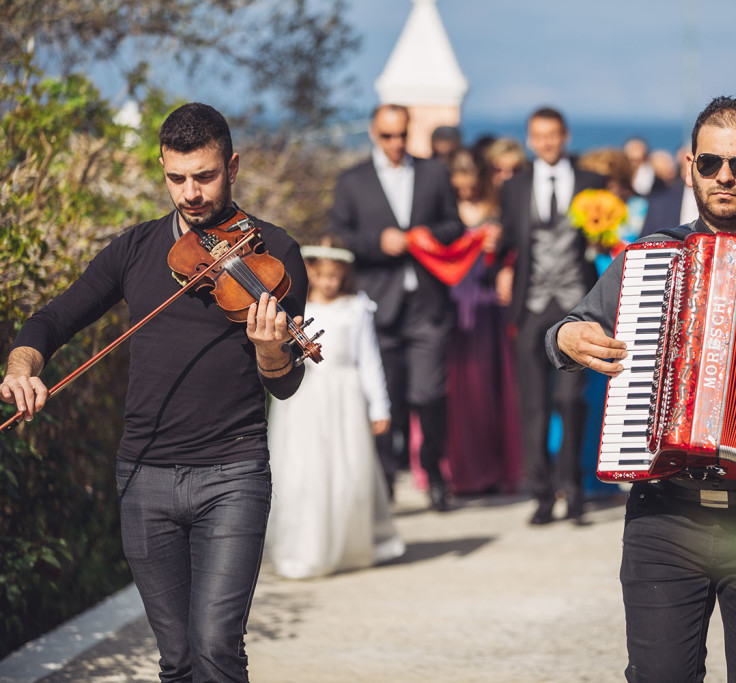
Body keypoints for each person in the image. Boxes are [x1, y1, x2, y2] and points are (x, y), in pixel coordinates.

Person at [0, 102, 307, 681]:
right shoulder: (134, 249)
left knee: (217, 650)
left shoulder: (274, 254)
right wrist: (22, 365)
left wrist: (272, 350)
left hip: (232, 473)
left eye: (205, 176)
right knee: (177, 661)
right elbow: (52, 320)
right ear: (163, 169)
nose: (190, 193)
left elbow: (287, 384)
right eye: (176, 178)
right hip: (143, 475)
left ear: (233, 166)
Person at [547, 96, 736, 681]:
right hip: (665, 518)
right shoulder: (647, 261)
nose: (725, 177)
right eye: (710, 163)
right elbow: (564, 329)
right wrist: (569, 337)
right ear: (690, 167)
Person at [328, 103, 464, 511]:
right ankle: (386, 483)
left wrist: (424, 235)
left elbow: (454, 225)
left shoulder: (434, 173)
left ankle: (434, 472)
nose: (396, 143)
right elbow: (339, 236)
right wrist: (379, 242)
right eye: (387, 136)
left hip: (427, 304)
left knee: (431, 393)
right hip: (378, 305)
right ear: (373, 132)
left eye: (402, 135)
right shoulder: (352, 181)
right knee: (387, 401)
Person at [266, 236, 404, 579]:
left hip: (345, 397)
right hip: (305, 396)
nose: (328, 282)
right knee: (303, 469)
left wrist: (380, 406)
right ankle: (305, 547)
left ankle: (346, 545)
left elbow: (369, 359)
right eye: (322, 275)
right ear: (310, 271)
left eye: (335, 276)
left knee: (346, 471)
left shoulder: (356, 307)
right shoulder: (296, 307)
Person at [495, 106, 604, 525]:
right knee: (533, 404)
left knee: (570, 400)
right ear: (529, 139)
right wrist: (500, 268)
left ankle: (573, 490)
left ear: (565, 135)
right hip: (531, 304)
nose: (546, 143)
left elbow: (606, 238)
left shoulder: (592, 183)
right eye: (538, 136)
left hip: (577, 303)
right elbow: (508, 241)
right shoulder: (516, 186)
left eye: (553, 135)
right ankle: (541, 494)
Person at [441, 149, 522, 495]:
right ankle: (465, 472)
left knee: (492, 389)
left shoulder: (497, 211)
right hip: (455, 303)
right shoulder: (444, 215)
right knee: (460, 391)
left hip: (488, 303)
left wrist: (502, 258)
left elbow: (511, 253)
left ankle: (498, 470)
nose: (466, 188)